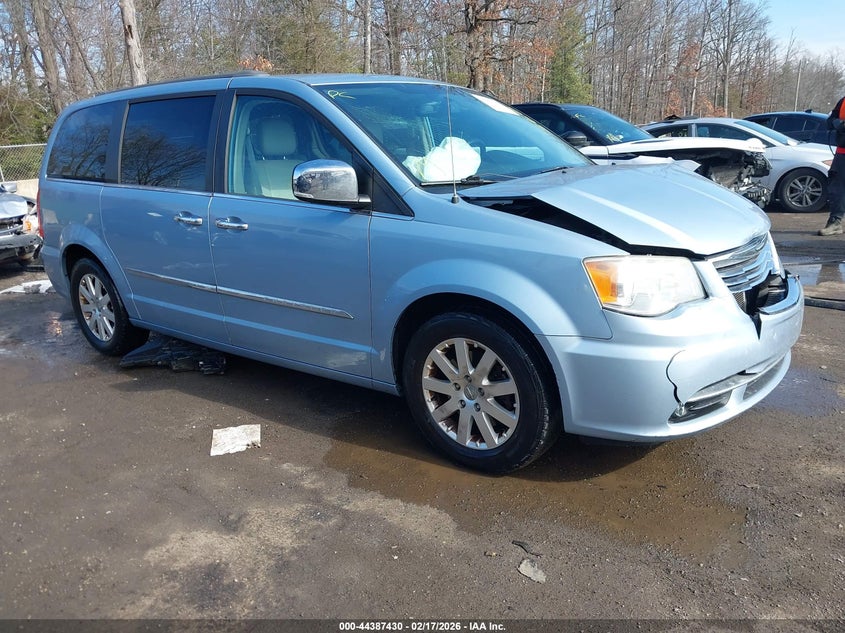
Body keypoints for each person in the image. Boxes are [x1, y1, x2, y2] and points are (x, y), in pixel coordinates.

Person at [819, 96, 845, 235]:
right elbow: (830, 121)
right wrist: (838, 123)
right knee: (837, 190)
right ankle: (835, 222)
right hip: (842, 152)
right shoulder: (843, 101)